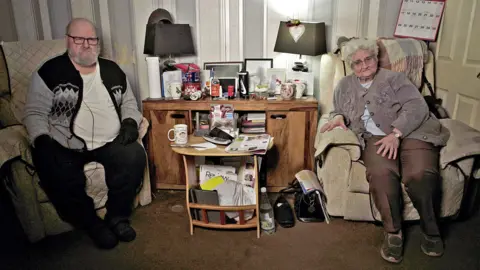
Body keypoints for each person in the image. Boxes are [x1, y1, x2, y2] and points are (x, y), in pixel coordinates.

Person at [320, 39, 450, 263]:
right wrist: (339, 118)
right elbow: (337, 111)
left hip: (413, 131)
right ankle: (393, 232)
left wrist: (396, 134)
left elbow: (417, 106)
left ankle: (431, 228)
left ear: (375, 58)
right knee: (381, 175)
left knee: (419, 174)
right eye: (357, 62)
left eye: (368, 59)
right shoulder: (344, 85)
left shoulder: (395, 79)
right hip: (375, 138)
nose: (364, 65)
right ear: (350, 65)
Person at [23, 18, 146, 249]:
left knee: (134, 155)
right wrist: (41, 138)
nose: (86, 44)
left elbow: (129, 103)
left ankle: (117, 217)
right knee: (52, 164)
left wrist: (130, 122)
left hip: (110, 140)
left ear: (97, 42)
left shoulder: (112, 70)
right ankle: (91, 223)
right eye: (79, 39)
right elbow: (34, 112)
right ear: (68, 40)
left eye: (91, 39)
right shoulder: (49, 72)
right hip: (65, 144)